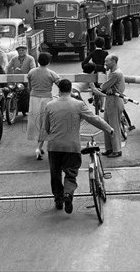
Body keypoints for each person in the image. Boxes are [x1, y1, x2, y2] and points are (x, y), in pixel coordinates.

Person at [41, 79, 113, 213]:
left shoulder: (49, 105)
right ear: (70, 90)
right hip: (72, 146)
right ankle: (68, 194)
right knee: (71, 173)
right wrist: (109, 129)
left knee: (55, 175)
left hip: (54, 146)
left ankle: (58, 200)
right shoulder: (79, 104)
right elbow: (94, 119)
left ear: (59, 90)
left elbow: (46, 128)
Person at [27, 52, 60, 160]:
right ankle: (39, 147)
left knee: (36, 122)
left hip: (33, 98)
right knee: (45, 123)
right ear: (49, 62)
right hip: (46, 99)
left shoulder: (31, 72)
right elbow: (61, 85)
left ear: (38, 60)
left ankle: (39, 146)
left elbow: (29, 87)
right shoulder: (51, 73)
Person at [100, 54, 125, 158]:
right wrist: (107, 88)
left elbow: (104, 86)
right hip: (110, 99)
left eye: (107, 61)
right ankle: (109, 148)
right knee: (106, 125)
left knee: (114, 125)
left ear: (114, 61)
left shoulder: (115, 74)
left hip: (114, 101)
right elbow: (106, 87)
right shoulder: (112, 72)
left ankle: (117, 150)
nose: (105, 63)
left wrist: (105, 87)